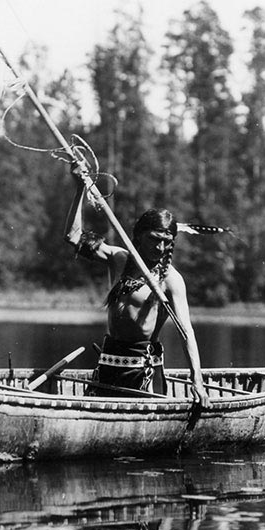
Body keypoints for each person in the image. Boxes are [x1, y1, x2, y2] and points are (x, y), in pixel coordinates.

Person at [64, 169, 210, 405]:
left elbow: (186, 332)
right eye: (154, 239)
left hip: (143, 370)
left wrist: (198, 381)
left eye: (166, 242)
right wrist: (80, 187)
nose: (160, 248)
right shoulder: (119, 259)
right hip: (108, 363)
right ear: (139, 236)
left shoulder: (170, 279)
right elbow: (73, 237)